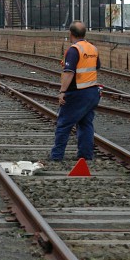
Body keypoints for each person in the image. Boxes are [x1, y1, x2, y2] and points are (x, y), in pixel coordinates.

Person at [49, 20, 101, 162]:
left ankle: (56, 156)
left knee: (64, 124)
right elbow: (96, 67)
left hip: (77, 93)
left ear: (70, 34)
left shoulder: (74, 50)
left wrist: (62, 91)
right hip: (92, 92)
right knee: (85, 124)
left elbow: (69, 72)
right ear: (84, 33)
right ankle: (85, 155)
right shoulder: (92, 48)